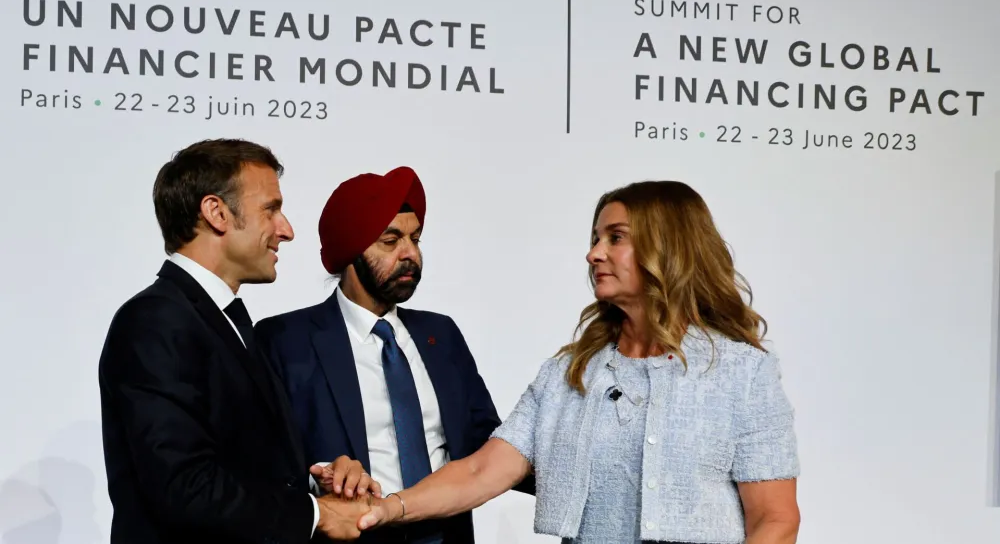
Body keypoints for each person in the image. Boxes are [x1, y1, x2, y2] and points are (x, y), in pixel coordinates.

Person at [347, 180, 802, 544]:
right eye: (595, 238)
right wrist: (389, 507)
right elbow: (480, 471)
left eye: (615, 238)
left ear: (669, 249)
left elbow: (775, 521)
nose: (593, 253)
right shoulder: (570, 373)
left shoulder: (742, 373)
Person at [98, 139, 377, 544]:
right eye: (271, 209)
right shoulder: (154, 321)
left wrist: (314, 483)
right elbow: (184, 487)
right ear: (216, 212)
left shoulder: (221, 321)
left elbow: (236, 461)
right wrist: (317, 514)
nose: (287, 230)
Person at [255, 166, 533, 544]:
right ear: (351, 251)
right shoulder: (285, 339)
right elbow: (263, 458)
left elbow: (487, 446)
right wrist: (319, 478)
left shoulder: (442, 334)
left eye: (415, 239)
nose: (411, 254)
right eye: (391, 240)